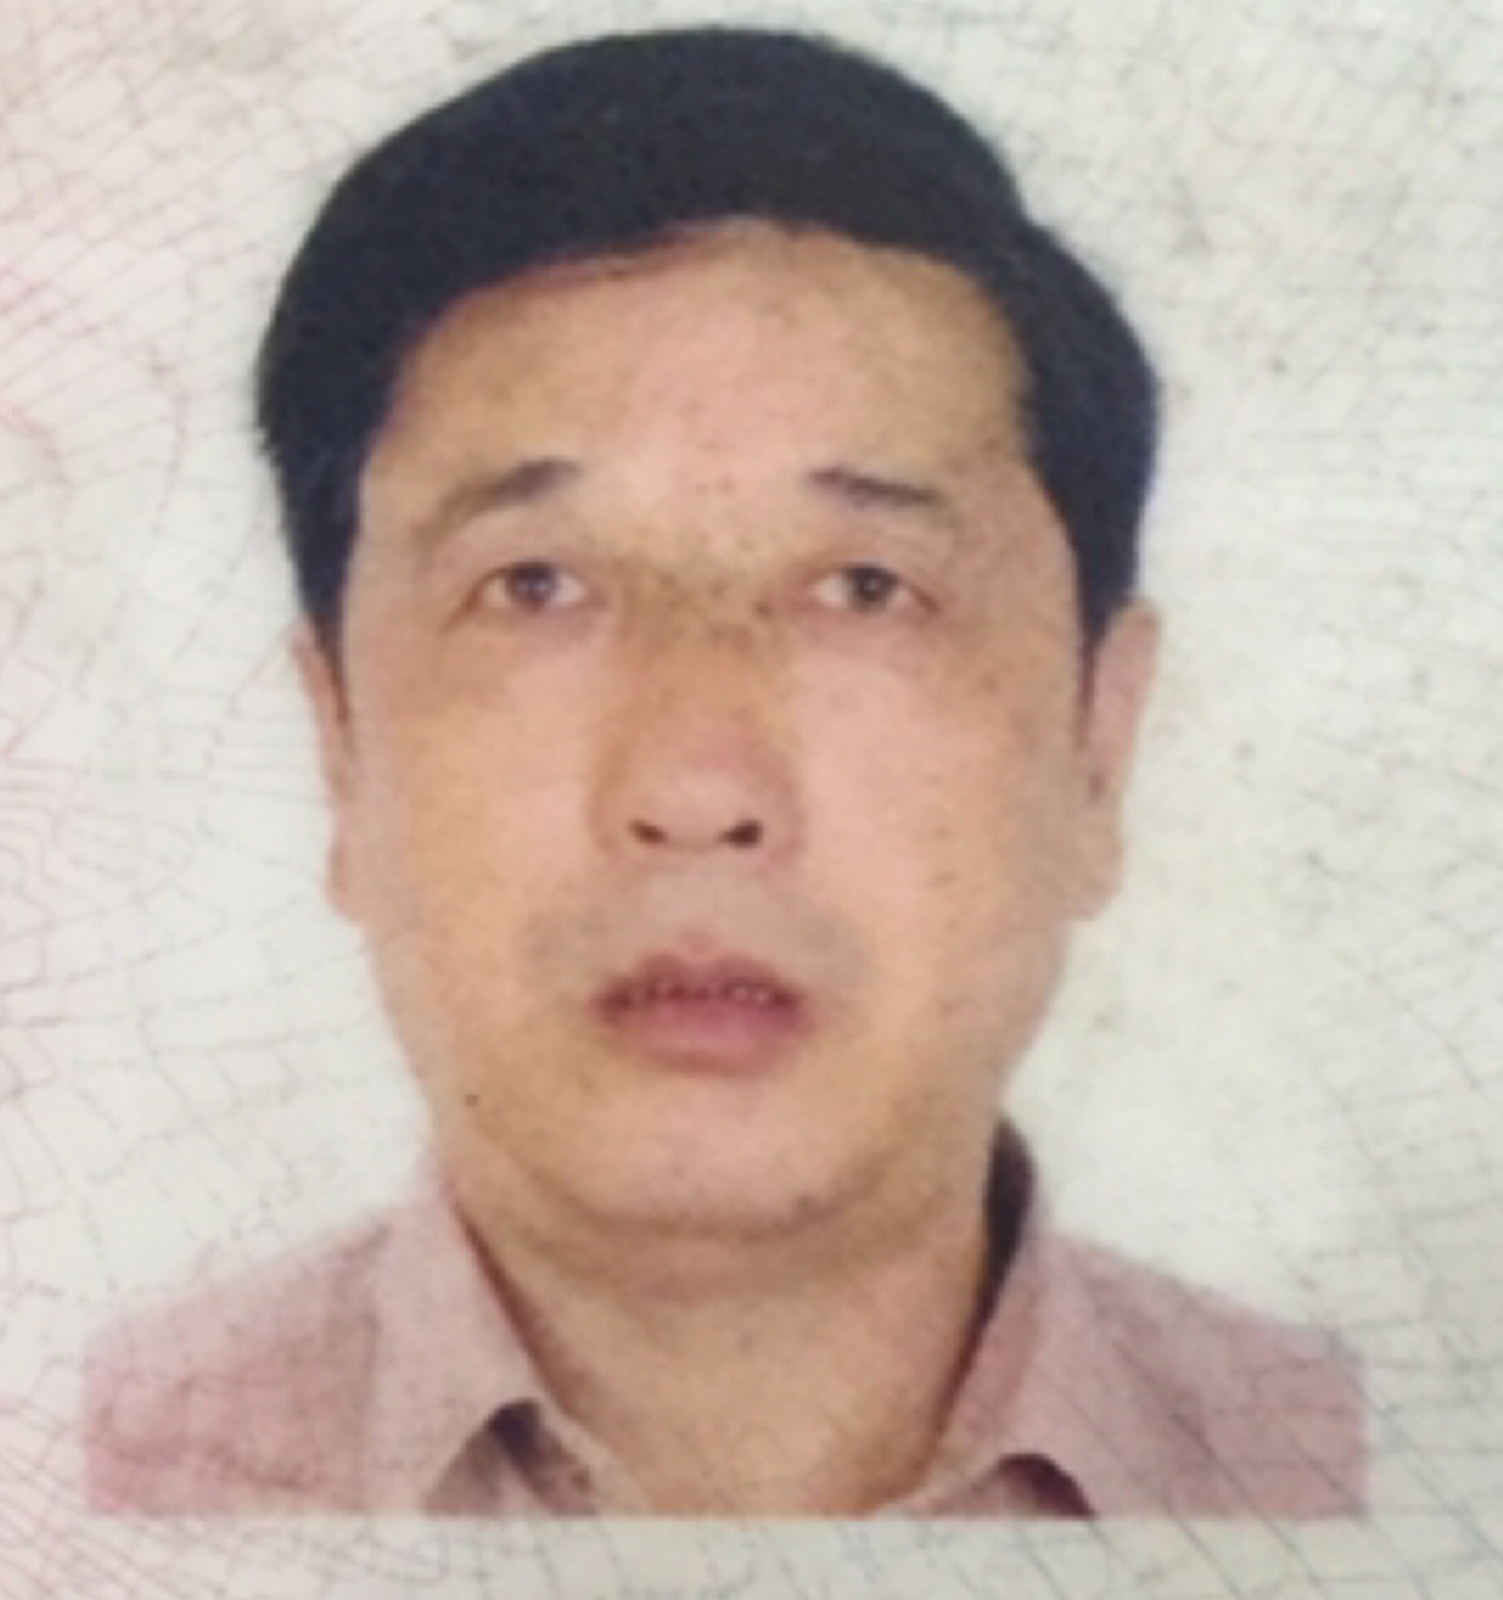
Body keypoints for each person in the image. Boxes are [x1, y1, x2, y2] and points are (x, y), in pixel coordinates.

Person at [85, 24, 1363, 1518]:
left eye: (866, 588)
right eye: (537, 586)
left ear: (1099, 744)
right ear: (340, 750)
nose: (698, 790)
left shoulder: (1354, 1477)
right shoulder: (80, 1488)